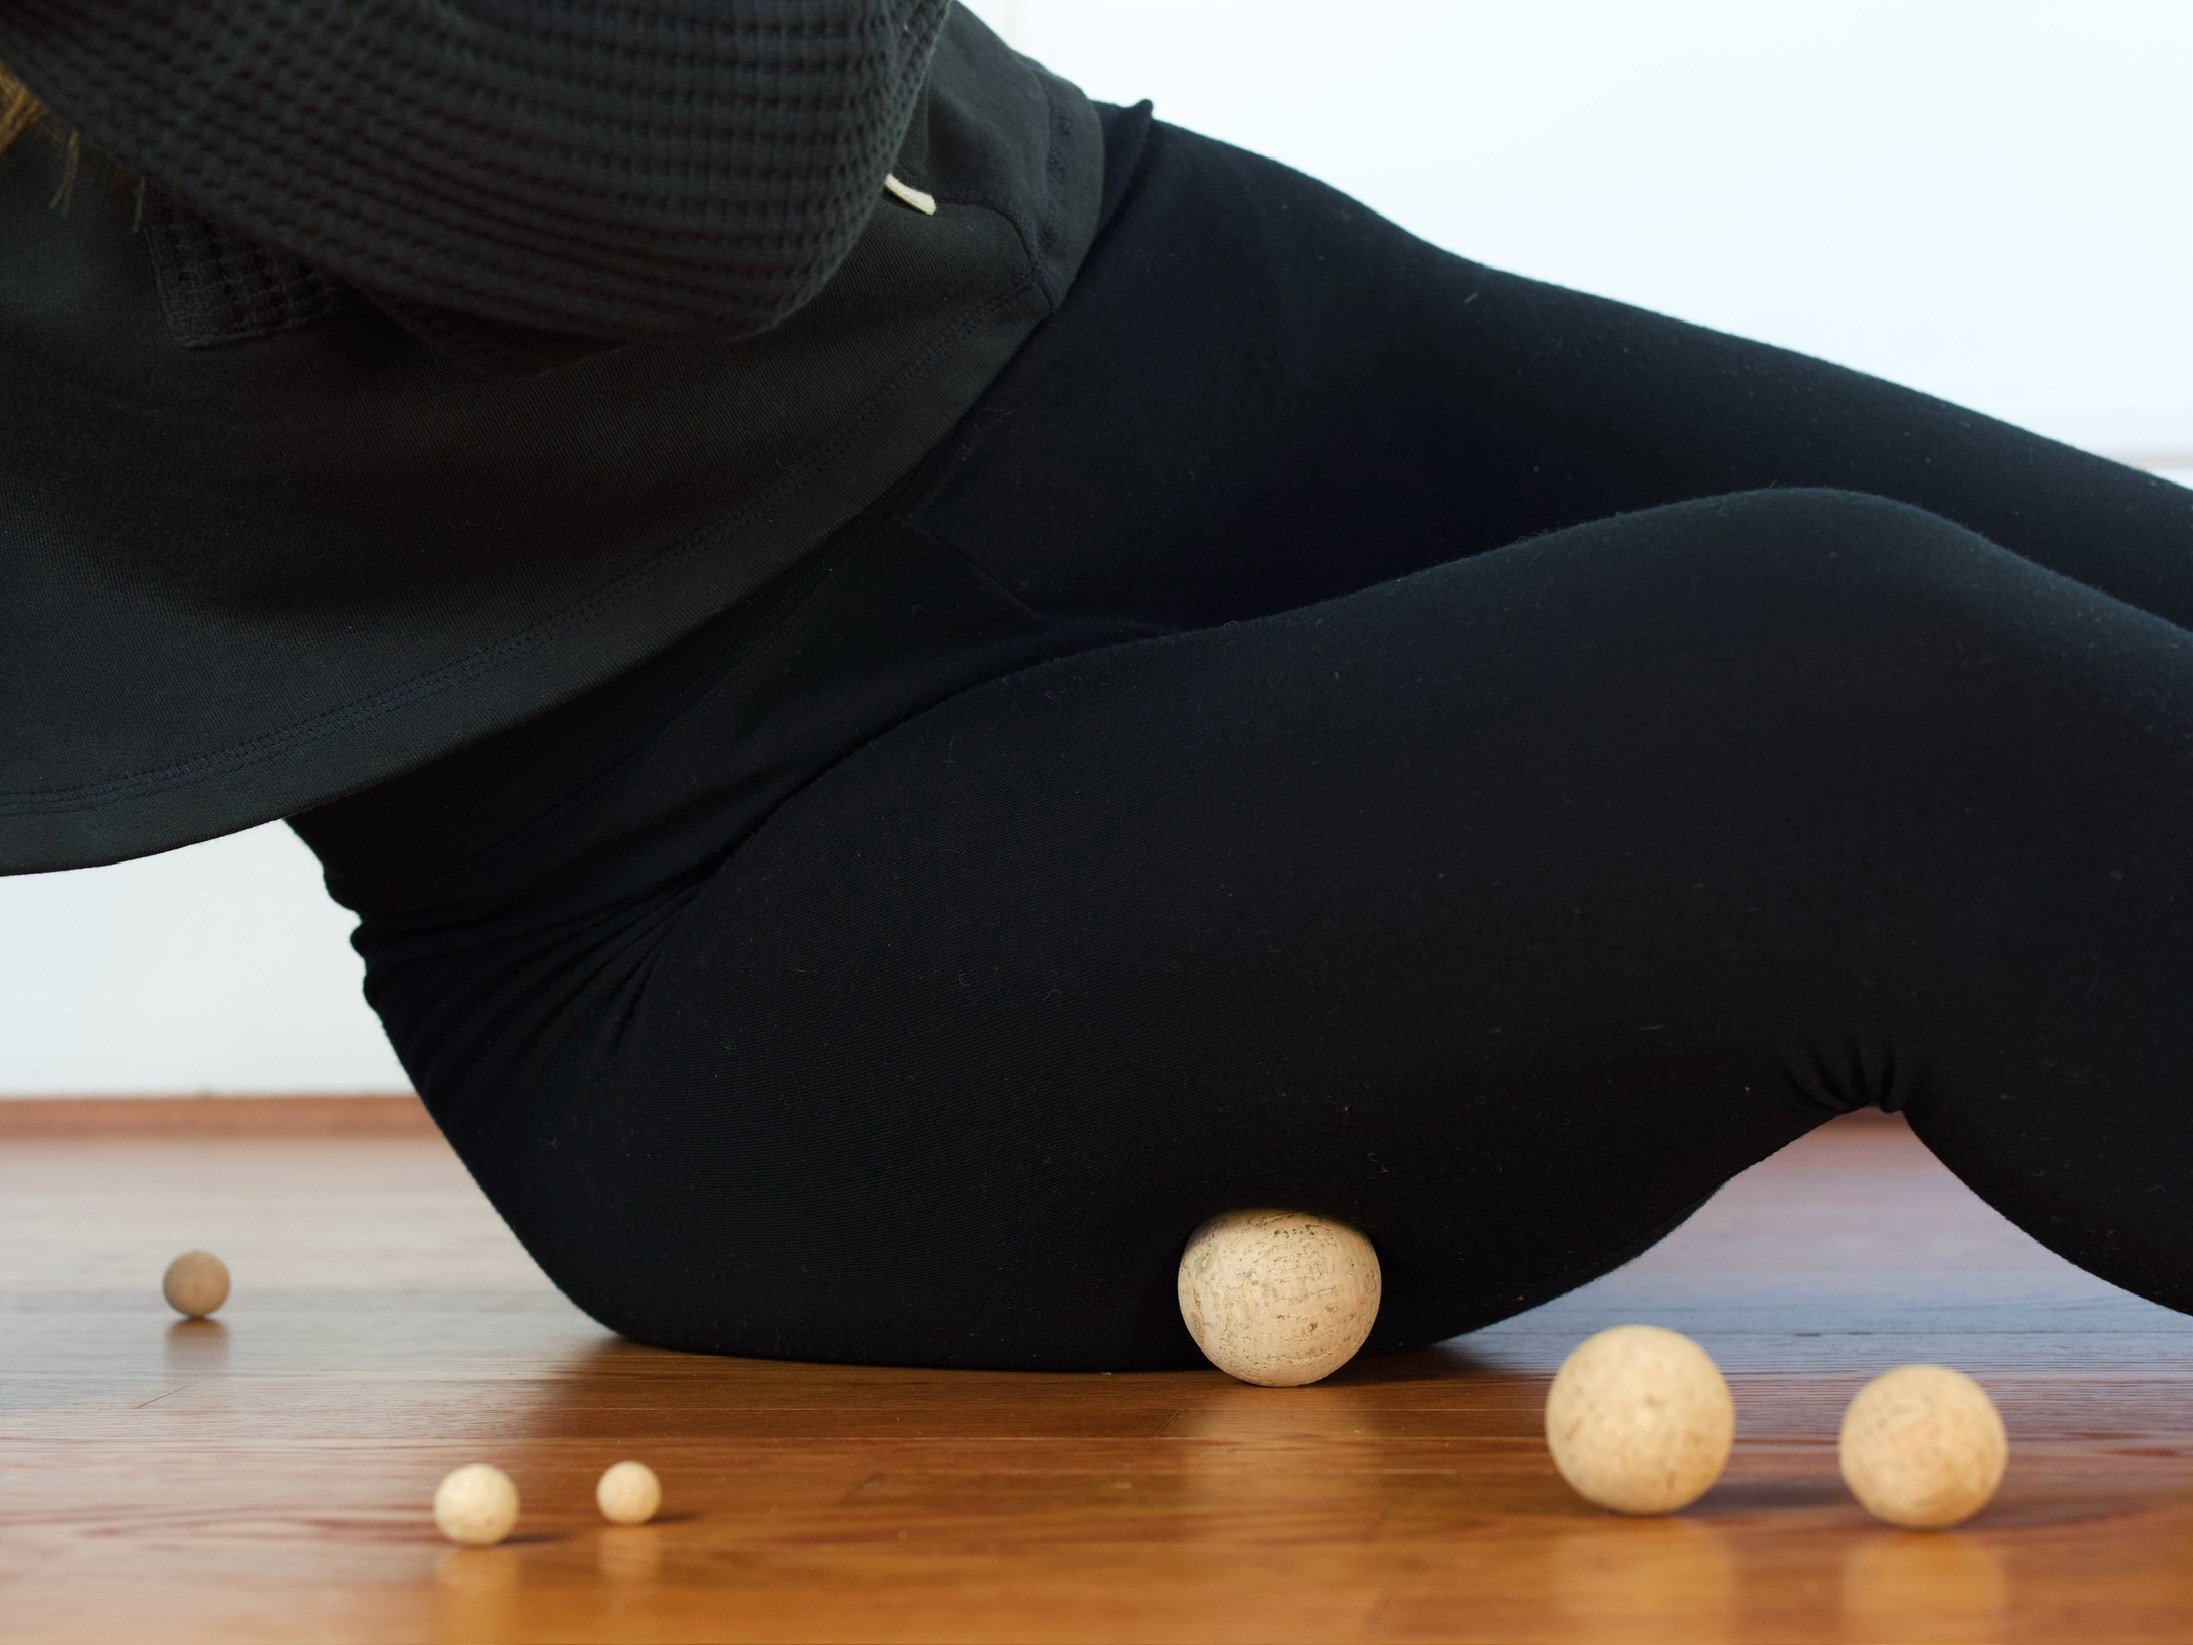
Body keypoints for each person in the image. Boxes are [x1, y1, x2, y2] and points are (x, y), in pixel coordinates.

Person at [4, 3, 2190, 1373]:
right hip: (703, 871)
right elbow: (702, 206)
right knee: (1875, 719)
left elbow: (745, 90)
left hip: (1151, 295)